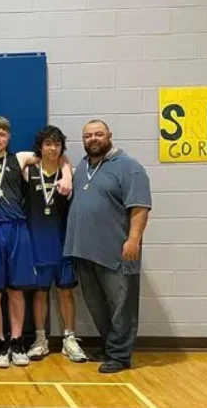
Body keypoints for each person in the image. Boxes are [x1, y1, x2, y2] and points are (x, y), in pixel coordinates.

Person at [0, 116, 72, 368]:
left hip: (18, 228)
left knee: (16, 290)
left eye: (2, 134)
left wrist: (68, 175)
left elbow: (57, 155)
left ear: (9, 137)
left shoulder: (19, 158)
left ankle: (17, 340)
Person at [63, 120, 151, 374]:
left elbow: (140, 207)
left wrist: (133, 239)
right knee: (98, 305)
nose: (93, 139)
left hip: (117, 251)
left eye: (98, 134)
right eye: (88, 135)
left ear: (110, 136)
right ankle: (110, 347)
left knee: (121, 306)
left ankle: (121, 356)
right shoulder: (82, 168)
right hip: (85, 251)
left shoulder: (129, 168)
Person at [22, 126, 87, 363]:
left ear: (62, 147)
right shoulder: (28, 172)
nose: (52, 148)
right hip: (37, 244)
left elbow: (66, 162)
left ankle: (69, 338)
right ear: (40, 147)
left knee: (66, 292)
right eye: (48, 144)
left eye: (57, 144)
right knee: (39, 294)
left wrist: (67, 172)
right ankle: (41, 339)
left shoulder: (71, 174)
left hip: (63, 243)